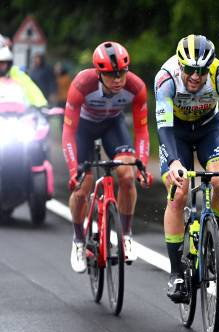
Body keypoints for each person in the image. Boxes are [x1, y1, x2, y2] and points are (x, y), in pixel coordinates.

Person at [154, 34, 219, 302]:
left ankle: (212, 238)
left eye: (201, 70)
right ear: (180, 65)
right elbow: (163, 126)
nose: (196, 77)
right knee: (179, 190)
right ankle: (176, 272)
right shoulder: (165, 78)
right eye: (189, 70)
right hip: (176, 132)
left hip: (209, 128)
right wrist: (174, 161)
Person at [62, 41, 150, 273]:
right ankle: (79, 241)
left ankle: (126, 236)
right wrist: (74, 171)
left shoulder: (137, 87)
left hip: (112, 126)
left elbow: (141, 131)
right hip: (83, 129)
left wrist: (141, 164)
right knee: (83, 186)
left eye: (122, 72)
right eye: (111, 74)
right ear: (99, 73)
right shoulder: (82, 84)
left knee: (127, 175)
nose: (118, 79)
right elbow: (68, 132)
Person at [0, 35, 47, 108]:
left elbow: (36, 96)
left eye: (4, 62)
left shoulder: (16, 73)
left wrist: (43, 108)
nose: (3, 66)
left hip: (15, 117)